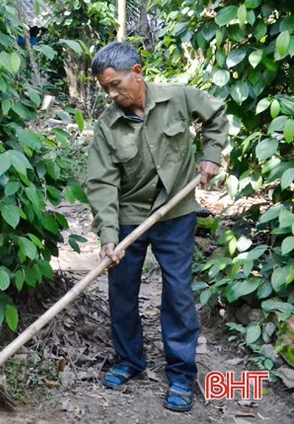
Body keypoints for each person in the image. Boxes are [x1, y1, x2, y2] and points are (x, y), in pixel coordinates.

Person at [85, 42, 227, 413]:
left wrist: (211, 155)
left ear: (137, 71)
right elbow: (101, 184)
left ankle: (181, 373)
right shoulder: (107, 126)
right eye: (106, 89)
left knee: (178, 291)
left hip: (177, 210)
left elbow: (216, 116)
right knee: (122, 290)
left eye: (116, 85)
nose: (113, 94)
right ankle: (129, 361)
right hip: (131, 215)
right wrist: (109, 237)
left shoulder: (178, 97)